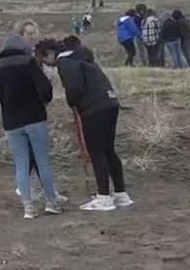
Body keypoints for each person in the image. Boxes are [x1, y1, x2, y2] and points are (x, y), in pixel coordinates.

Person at [0, 25, 65, 219]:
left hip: (11, 123)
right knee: (42, 161)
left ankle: (28, 208)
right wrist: (45, 98)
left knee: (21, 164)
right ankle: (52, 203)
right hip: (35, 119)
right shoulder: (29, 62)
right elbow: (44, 89)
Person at [52, 35, 133, 212]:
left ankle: (104, 198)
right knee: (108, 149)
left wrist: (71, 101)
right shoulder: (84, 58)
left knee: (96, 152)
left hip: (94, 108)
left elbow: (73, 88)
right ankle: (121, 194)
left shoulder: (64, 62)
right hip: (110, 102)